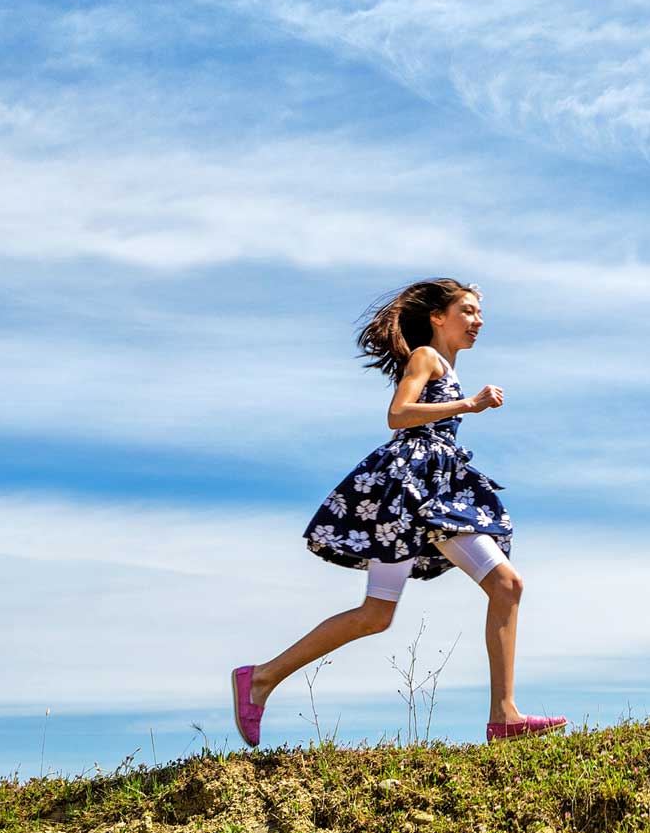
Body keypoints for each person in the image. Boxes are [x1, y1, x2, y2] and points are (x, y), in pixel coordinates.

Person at [230, 279, 565, 744]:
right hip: (415, 489)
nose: (478, 321)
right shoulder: (426, 357)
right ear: (438, 317)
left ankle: (261, 678)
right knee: (504, 585)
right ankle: (504, 716)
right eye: (467, 311)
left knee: (377, 614)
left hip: (430, 488)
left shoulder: (447, 365)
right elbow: (398, 413)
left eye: (479, 313)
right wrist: (470, 404)